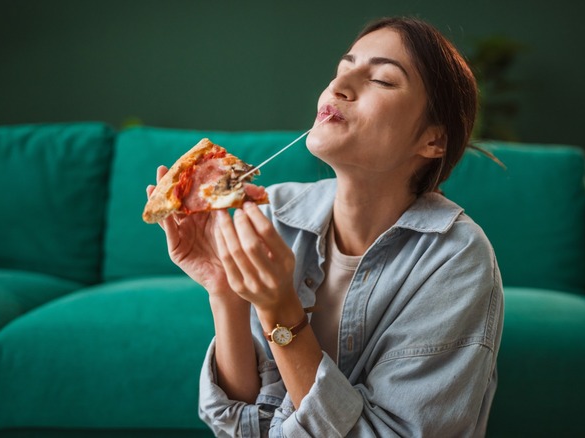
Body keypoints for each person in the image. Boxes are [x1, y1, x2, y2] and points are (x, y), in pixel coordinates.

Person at [148, 16, 504, 437]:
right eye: (342, 68)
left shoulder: (456, 258)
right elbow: (244, 424)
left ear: (432, 140)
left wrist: (281, 310)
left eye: (383, 80)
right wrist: (225, 292)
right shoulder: (273, 211)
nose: (340, 85)